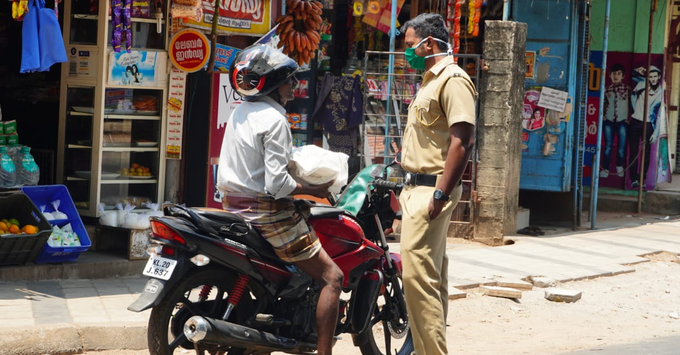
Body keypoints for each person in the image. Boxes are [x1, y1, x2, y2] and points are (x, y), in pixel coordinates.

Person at [216, 45, 344, 355]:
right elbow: (277, 185)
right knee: (333, 277)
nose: (293, 86)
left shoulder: (241, 111)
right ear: (274, 84)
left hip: (232, 206)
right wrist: (312, 190)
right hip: (266, 213)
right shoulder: (275, 120)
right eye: (288, 81)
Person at [400, 13, 477, 355]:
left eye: (409, 46)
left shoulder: (453, 79)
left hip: (431, 190)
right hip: (416, 187)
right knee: (431, 277)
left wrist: (440, 194)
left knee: (418, 281)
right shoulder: (429, 79)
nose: (408, 53)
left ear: (428, 43)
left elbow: (462, 141)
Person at [628, 65, 663, 189]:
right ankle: (633, 179)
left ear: (659, 77)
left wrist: (655, 132)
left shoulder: (661, 93)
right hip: (635, 121)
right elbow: (632, 75)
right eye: (650, 76)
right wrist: (639, 70)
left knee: (646, 153)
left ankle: (642, 179)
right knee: (633, 152)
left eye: (655, 76)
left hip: (648, 124)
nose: (652, 79)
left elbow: (660, 115)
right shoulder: (642, 84)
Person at [600, 63, 630, 179]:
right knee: (608, 145)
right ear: (609, 75)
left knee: (621, 147)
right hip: (609, 120)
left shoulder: (627, 89)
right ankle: (605, 169)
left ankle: (619, 166)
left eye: (619, 74)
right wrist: (603, 117)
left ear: (623, 76)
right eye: (614, 74)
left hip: (623, 120)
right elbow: (603, 104)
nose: (616, 76)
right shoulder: (606, 89)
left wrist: (628, 119)